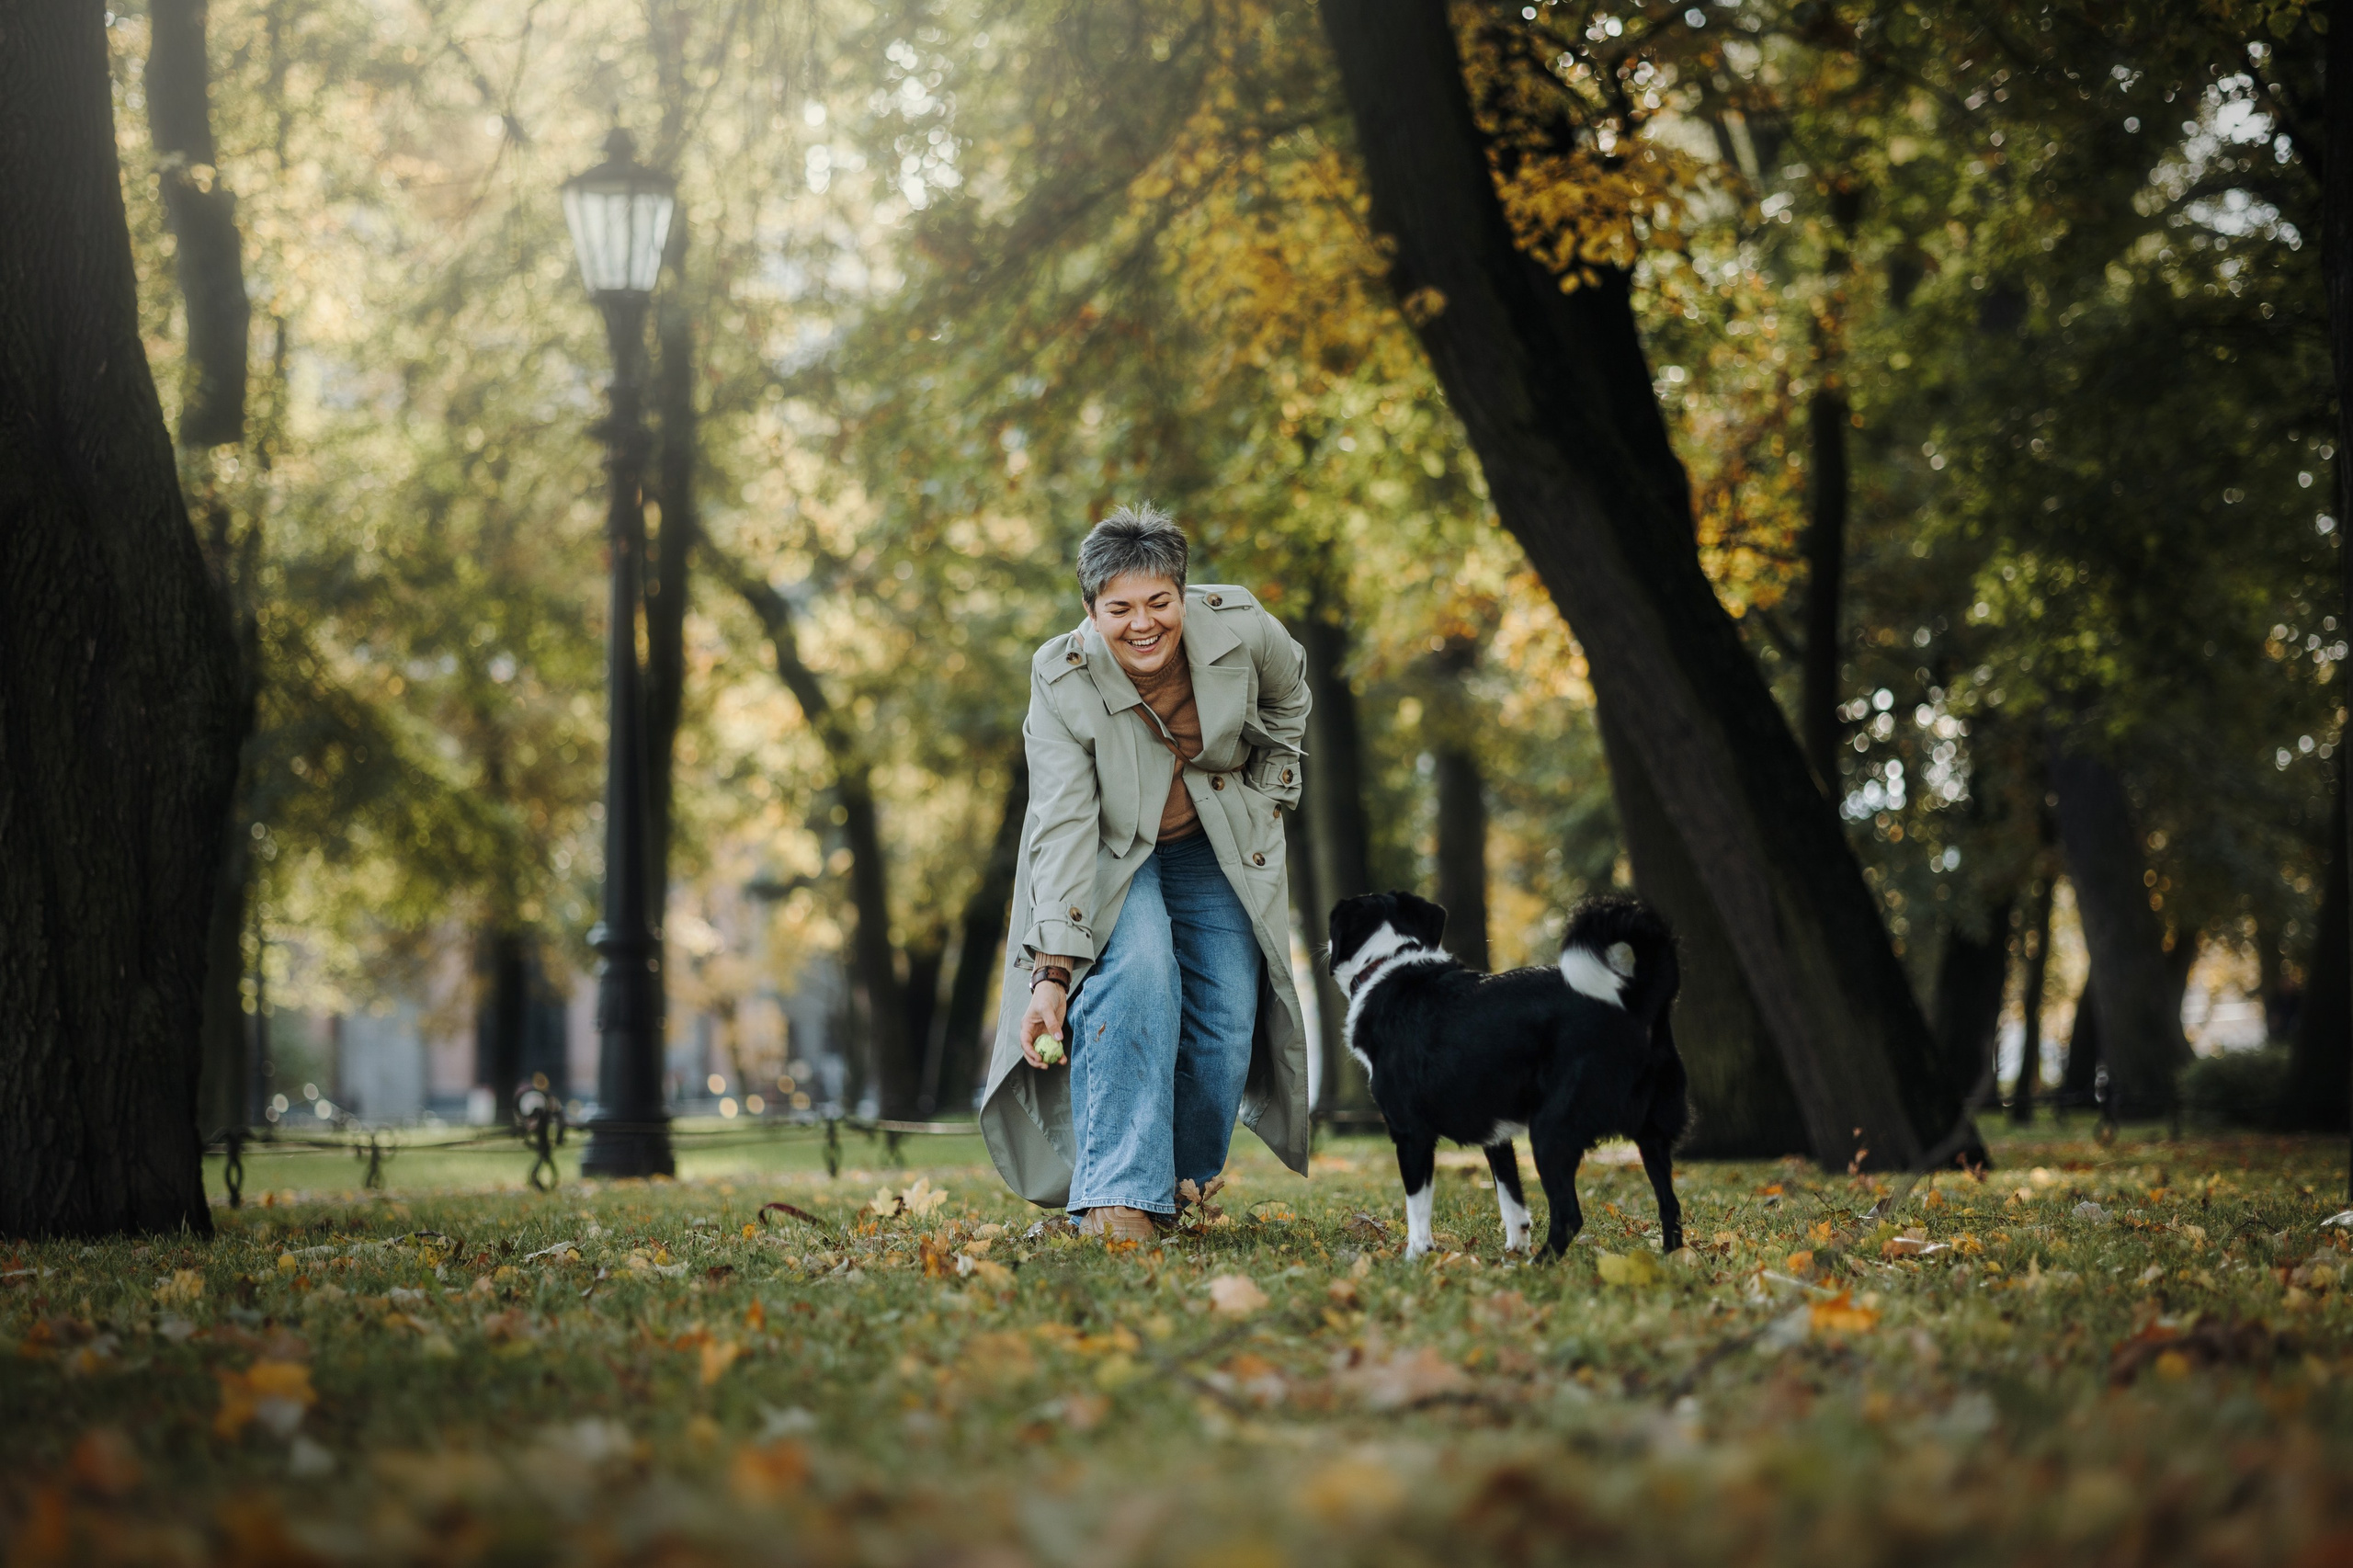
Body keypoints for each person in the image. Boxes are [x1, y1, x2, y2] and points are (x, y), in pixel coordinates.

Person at [977, 504, 1313, 1239]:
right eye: (1119, 608)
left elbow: (1291, 695)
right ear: (1090, 612)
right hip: (1106, 851)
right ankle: (1118, 1200)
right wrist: (1053, 972)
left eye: (1160, 603)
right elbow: (1062, 821)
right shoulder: (1059, 676)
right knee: (1139, 977)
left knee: (1227, 1019)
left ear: (1183, 595)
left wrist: (1271, 792)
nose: (1143, 624)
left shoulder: (1245, 628)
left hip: (1208, 842)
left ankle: (1176, 1194)